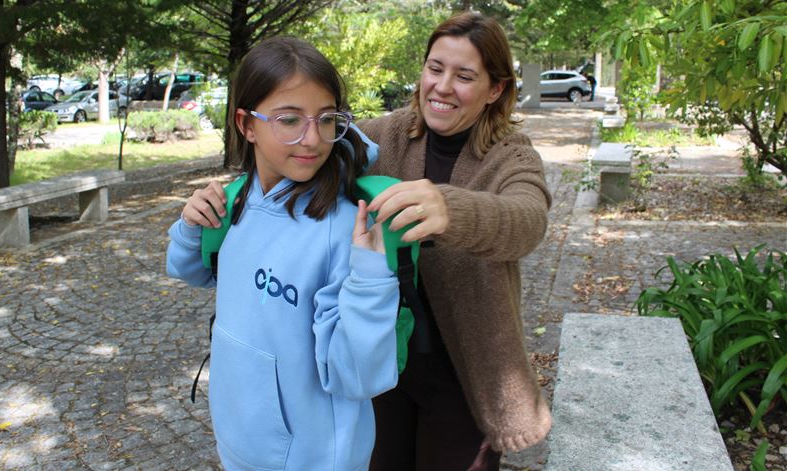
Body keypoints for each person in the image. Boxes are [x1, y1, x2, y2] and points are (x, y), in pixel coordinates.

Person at [165, 36, 400, 471]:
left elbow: (357, 374)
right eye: (289, 120)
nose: (312, 139)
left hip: (315, 457)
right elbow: (192, 271)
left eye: (326, 119)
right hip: (240, 439)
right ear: (246, 124)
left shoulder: (342, 229)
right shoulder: (237, 198)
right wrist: (190, 226)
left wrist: (371, 276)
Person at [357, 12, 553, 471]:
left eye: (464, 76)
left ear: (495, 90)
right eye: (434, 68)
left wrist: (452, 210)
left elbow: (527, 220)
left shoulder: (510, 155)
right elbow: (308, 140)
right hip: (386, 369)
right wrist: (220, 198)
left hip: (465, 378)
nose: (442, 87)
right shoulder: (385, 136)